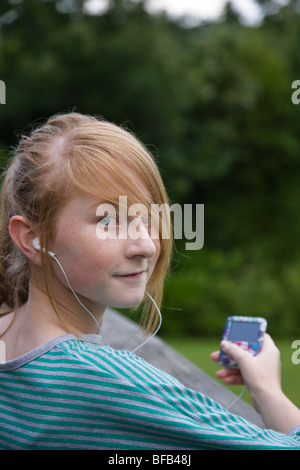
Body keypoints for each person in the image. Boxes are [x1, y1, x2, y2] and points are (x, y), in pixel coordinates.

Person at [0, 111, 299, 450]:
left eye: (147, 216)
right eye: (109, 219)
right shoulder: (113, 381)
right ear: (32, 238)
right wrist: (269, 393)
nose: (145, 244)